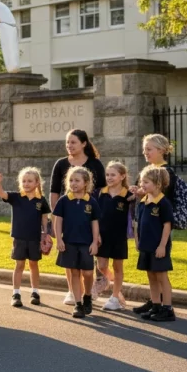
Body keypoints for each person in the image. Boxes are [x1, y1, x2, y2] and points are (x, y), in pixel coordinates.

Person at [48, 129, 106, 305]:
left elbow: (103, 193)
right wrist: (57, 219)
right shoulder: (60, 164)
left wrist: (99, 225)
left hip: (89, 217)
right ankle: (73, 292)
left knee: (89, 254)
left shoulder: (95, 164)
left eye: (73, 142)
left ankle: (91, 288)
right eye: (67, 142)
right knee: (69, 255)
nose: (69, 146)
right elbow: (54, 192)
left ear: (83, 143)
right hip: (68, 217)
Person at [129, 133, 177, 315]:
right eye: (144, 149)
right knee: (150, 271)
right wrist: (139, 192)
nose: (145, 152)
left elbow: (164, 200)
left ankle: (166, 306)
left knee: (160, 271)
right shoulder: (148, 170)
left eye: (149, 149)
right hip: (147, 231)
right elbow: (145, 193)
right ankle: (155, 303)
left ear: (161, 150)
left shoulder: (166, 172)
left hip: (159, 229)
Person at [0, 167, 51, 307]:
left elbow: (44, 218)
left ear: (37, 182)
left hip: (34, 238)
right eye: (24, 181)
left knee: (33, 264)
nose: (26, 183)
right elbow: (1, 193)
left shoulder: (41, 200)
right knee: (19, 265)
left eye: (30, 181)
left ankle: (35, 292)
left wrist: (45, 234)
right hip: (19, 238)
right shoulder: (16, 197)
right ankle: (16, 293)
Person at [52, 166, 101, 319]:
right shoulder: (64, 200)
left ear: (86, 183)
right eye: (71, 180)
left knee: (87, 273)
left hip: (86, 243)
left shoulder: (91, 202)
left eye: (77, 180)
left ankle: (87, 296)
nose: (73, 183)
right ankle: (78, 304)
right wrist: (59, 239)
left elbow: (95, 223)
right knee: (74, 272)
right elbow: (58, 220)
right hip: (69, 242)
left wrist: (94, 241)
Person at [134, 165, 176, 322]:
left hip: (158, 247)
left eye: (146, 182)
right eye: (141, 182)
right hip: (146, 245)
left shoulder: (163, 203)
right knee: (151, 275)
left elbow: (167, 225)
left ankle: (167, 308)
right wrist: (138, 242)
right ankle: (156, 305)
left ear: (157, 184)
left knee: (161, 276)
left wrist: (162, 246)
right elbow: (138, 224)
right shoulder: (143, 202)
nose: (142, 185)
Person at [96, 161, 132, 311]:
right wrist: (96, 233)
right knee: (101, 266)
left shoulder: (128, 195)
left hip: (119, 237)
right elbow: (94, 216)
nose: (109, 178)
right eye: (107, 174)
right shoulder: (99, 193)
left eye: (113, 175)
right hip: (101, 237)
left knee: (118, 267)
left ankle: (115, 296)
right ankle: (118, 290)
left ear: (122, 176)